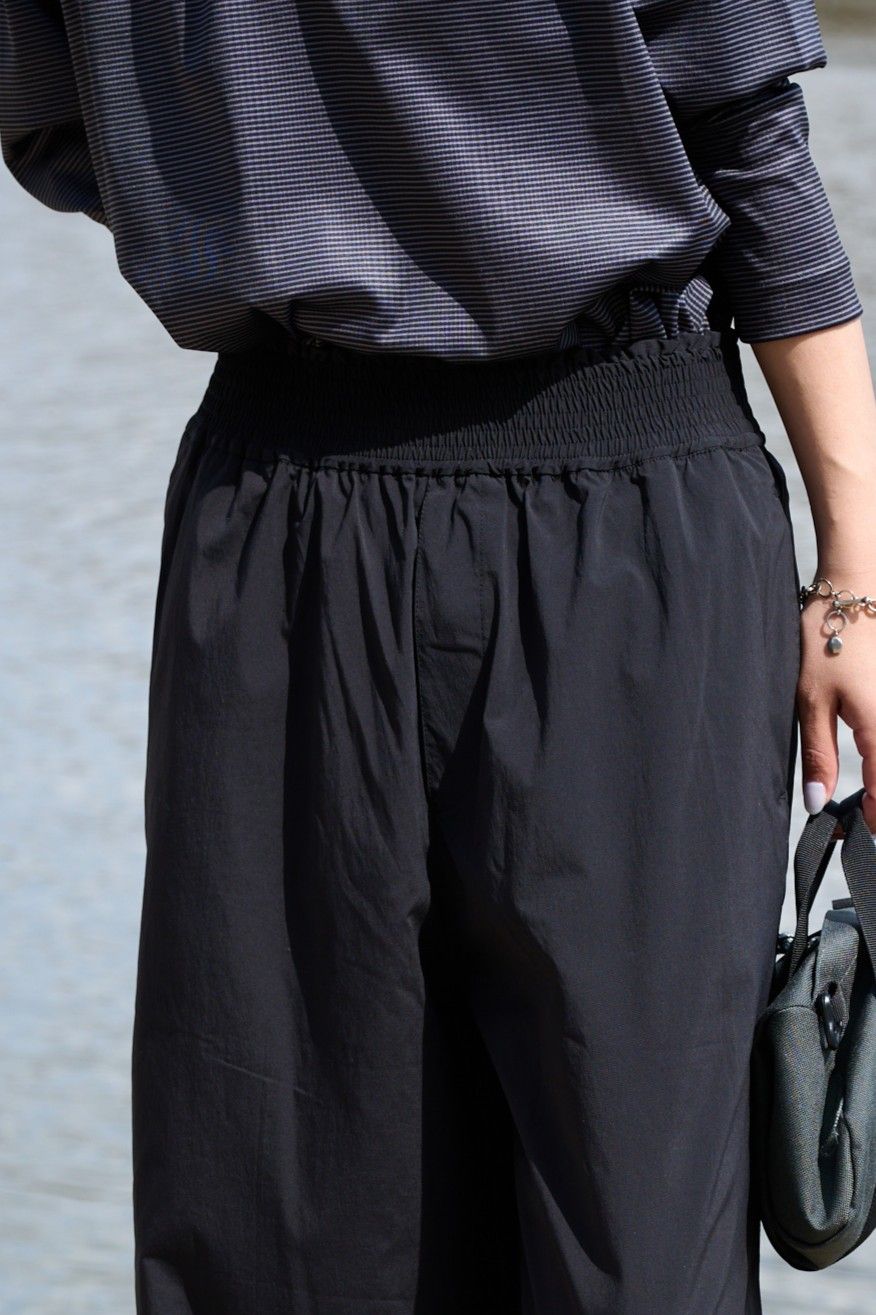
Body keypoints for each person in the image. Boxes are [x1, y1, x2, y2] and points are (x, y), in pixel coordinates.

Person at [2, 1, 875, 1311]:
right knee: (621, 1223)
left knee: (285, 1209)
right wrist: (853, 576)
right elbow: (745, 132)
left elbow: (52, 117)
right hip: (611, 525)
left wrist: (293, 201)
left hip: (305, 510)